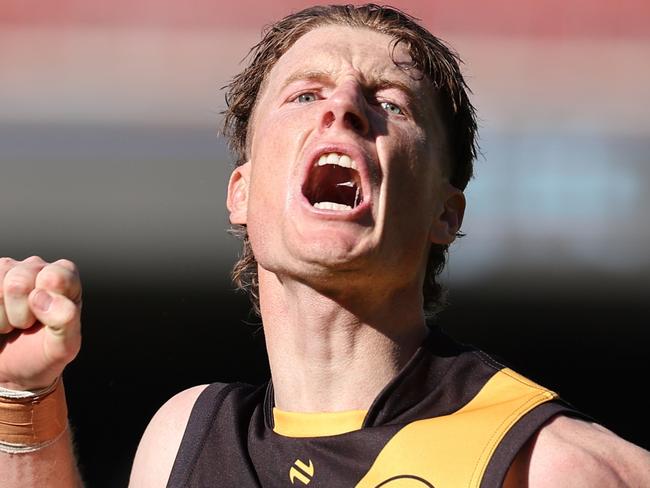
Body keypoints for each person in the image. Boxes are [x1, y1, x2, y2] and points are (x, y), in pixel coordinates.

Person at [2, 4, 649, 487]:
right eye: (305, 94)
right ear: (241, 193)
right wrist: (21, 397)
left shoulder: (550, 464)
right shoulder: (188, 438)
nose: (342, 109)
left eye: (390, 104)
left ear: (445, 213)